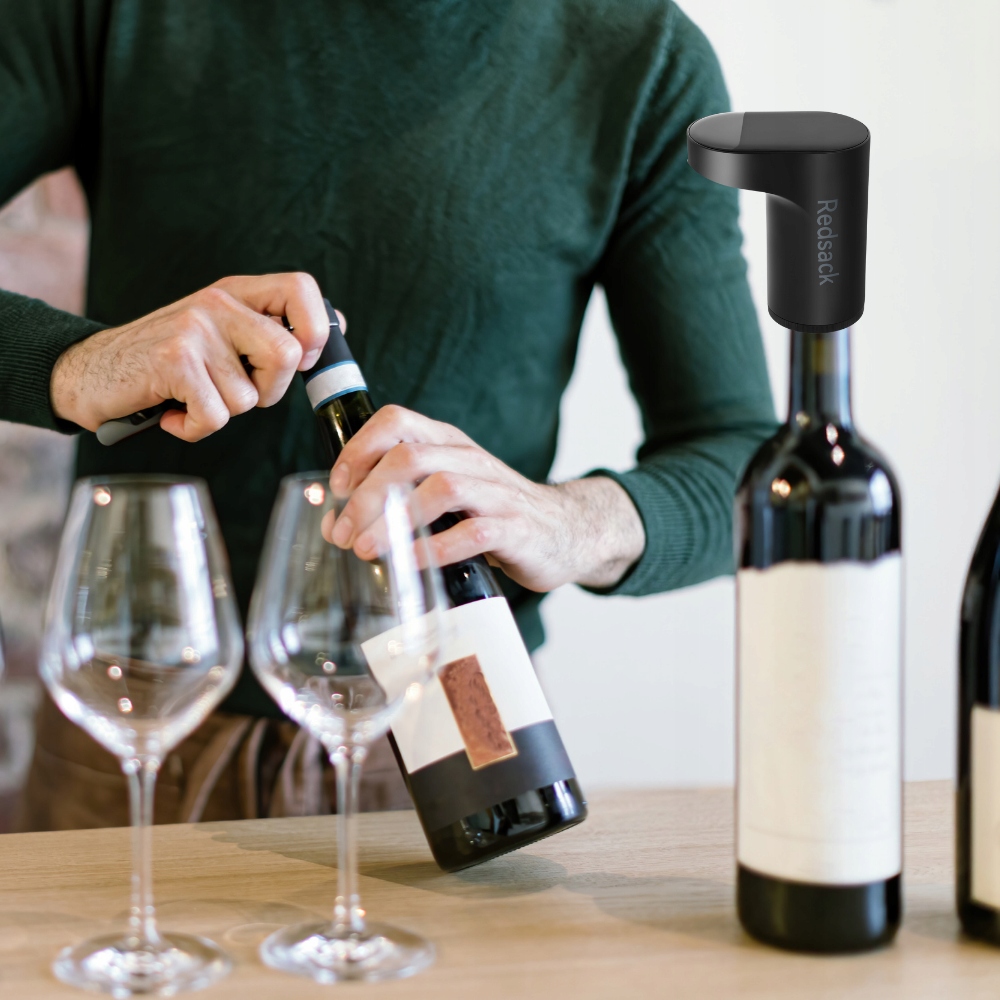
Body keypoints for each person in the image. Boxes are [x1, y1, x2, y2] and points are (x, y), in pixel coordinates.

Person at [0, 0, 776, 830]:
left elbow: (745, 463)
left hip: (454, 724)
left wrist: (571, 521)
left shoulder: (639, 57)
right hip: (137, 716)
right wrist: (72, 367)